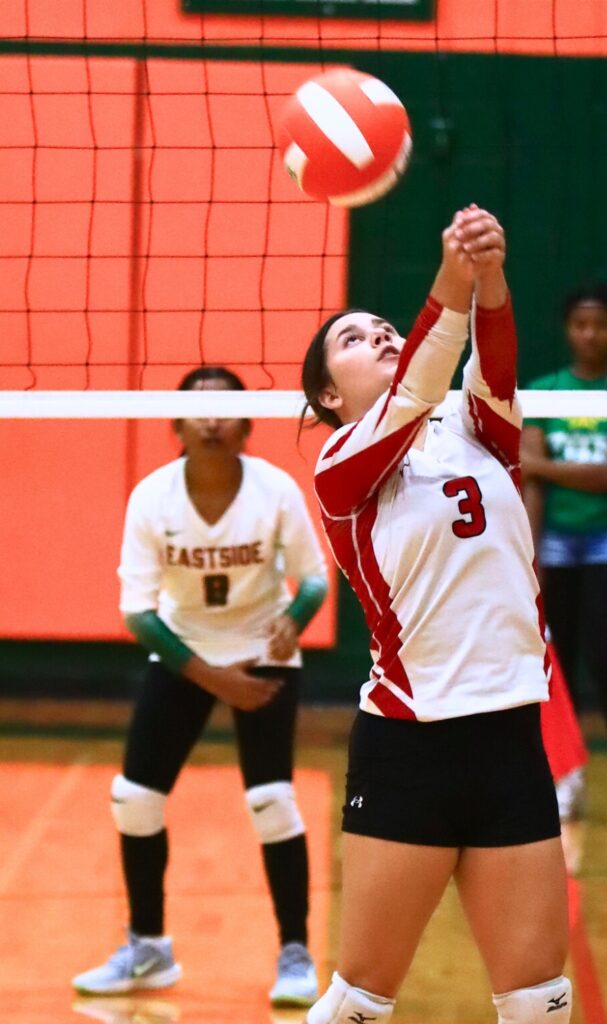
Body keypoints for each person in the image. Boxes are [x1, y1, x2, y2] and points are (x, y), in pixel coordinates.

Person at [299, 205, 571, 1024]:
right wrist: (452, 281)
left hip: (509, 735)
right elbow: (422, 376)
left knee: (539, 1004)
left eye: (385, 328)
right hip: (410, 744)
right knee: (360, 1002)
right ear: (324, 392)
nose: (379, 338)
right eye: (355, 339)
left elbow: (492, 363)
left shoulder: (475, 430)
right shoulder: (342, 467)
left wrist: (489, 277)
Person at [73, 367, 329, 1008]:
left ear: (247, 425)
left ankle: (295, 953)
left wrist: (290, 627)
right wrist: (214, 678)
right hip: (185, 651)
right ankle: (149, 949)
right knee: (133, 799)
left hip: (262, 649)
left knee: (272, 801)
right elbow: (137, 614)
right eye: (197, 411)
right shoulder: (150, 498)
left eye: (226, 411)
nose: (212, 421)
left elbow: (315, 579)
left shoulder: (275, 490)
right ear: (176, 425)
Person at [521, 284, 607, 824]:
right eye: (579, 323)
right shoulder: (544, 391)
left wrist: (542, 465)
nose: (589, 334)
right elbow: (529, 486)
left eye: (599, 324)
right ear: (567, 328)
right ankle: (564, 780)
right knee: (553, 667)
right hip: (554, 544)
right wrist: (530, 560)